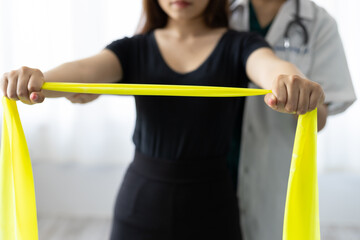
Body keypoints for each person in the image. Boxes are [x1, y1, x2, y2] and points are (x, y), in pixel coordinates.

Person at [1, 0, 326, 239]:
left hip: (213, 206)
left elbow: (270, 66)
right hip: (141, 203)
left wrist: (290, 80)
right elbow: (85, 71)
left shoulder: (240, 45)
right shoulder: (133, 48)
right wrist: (40, 78)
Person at [228, 0, 357, 239]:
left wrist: (307, 103)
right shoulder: (214, 10)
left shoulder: (320, 23)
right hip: (212, 169)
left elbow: (321, 117)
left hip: (274, 174)